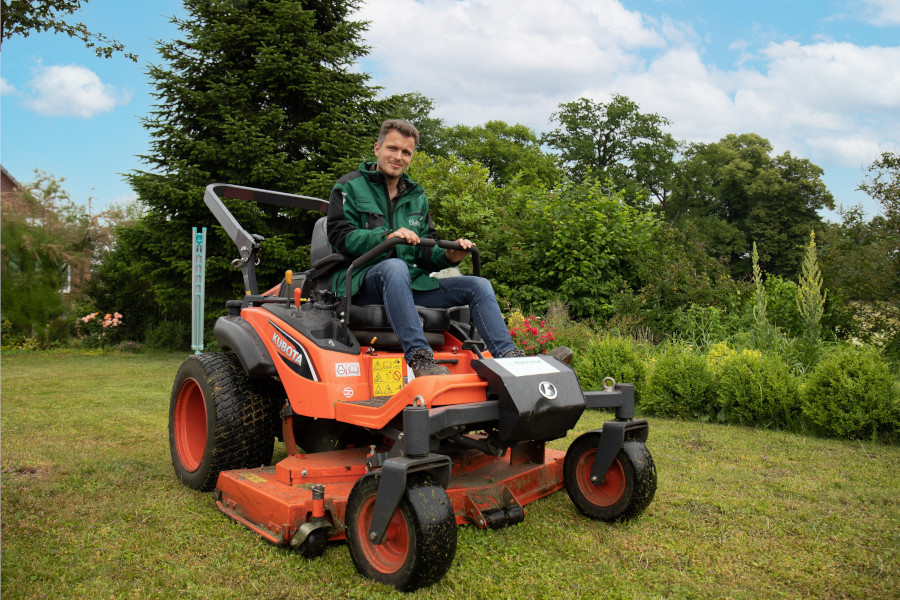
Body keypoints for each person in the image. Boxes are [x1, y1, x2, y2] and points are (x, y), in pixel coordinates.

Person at [326, 119, 572, 377]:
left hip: (408, 284)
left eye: (406, 152)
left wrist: (449, 256)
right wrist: (386, 236)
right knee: (395, 267)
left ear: (411, 156)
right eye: (392, 148)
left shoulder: (416, 198)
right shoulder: (349, 187)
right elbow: (340, 237)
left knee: (478, 285)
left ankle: (511, 360)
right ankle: (421, 359)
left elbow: (423, 252)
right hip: (362, 283)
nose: (398, 156)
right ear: (377, 148)